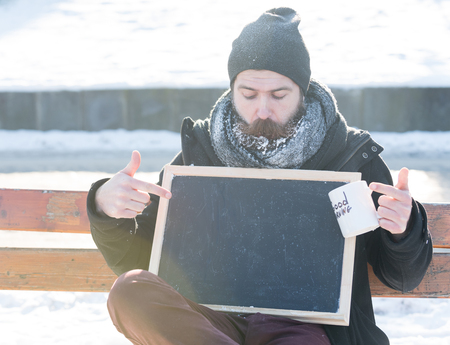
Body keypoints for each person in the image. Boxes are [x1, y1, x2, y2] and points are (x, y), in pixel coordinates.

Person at [87, 7, 432, 345]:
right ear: (232, 90)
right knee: (130, 292)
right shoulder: (200, 154)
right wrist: (106, 207)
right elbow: (139, 260)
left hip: (307, 329)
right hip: (212, 323)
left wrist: (403, 230)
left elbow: (401, 276)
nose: (262, 110)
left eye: (278, 95)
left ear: (302, 91)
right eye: (248, 95)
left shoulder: (349, 158)